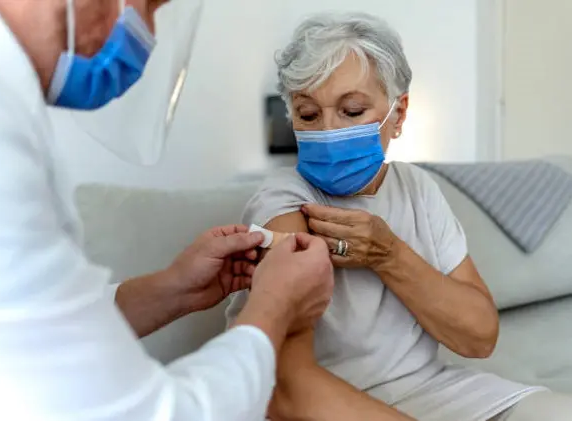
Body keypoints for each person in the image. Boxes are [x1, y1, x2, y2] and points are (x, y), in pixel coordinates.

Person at [0, 0, 336, 420]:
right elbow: (152, 413)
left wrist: (172, 288)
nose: (149, 32)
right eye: (148, 6)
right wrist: (274, 306)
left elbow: (25, 332)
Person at [225, 12, 572, 421]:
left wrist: (388, 254)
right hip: (328, 406)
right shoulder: (283, 203)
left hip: (430, 389)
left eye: (351, 111)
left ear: (399, 114)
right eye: (308, 114)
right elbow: (286, 389)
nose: (328, 132)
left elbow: (479, 337)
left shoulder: (417, 189)